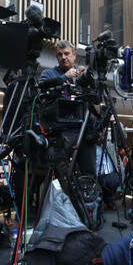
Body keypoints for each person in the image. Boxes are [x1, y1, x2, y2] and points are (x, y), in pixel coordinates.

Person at [38, 40, 97, 176]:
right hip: (61, 133)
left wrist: (86, 80)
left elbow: (95, 98)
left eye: (67, 53)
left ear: (74, 55)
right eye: (60, 54)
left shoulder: (82, 76)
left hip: (83, 130)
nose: (64, 57)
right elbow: (44, 94)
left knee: (89, 173)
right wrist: (65, 77)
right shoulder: (48, 75)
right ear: (56, 57)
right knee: (60, 175)